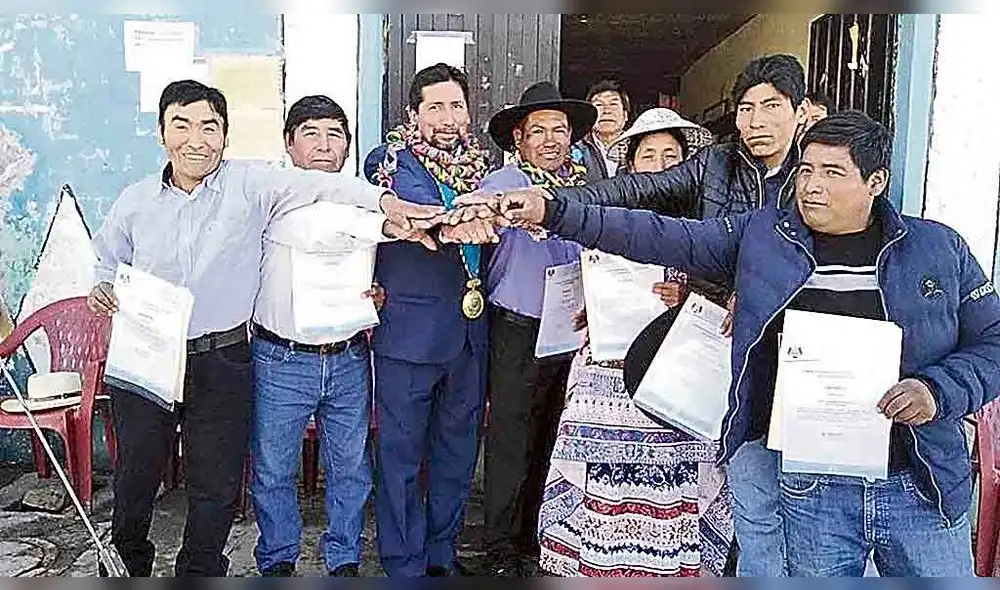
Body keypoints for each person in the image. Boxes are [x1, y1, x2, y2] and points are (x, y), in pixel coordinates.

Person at [474, 110, 1000, 577]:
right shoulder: (765, 238)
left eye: (832, 173)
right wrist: (553, 212)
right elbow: (656, 234)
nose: (812, 186)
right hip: (812, 489)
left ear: (875, 182)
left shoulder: (938, 250)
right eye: (806, 171)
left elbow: (993, 341)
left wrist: (937, 391)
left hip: (921, 484)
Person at [456, 54, 813, 576]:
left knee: (783, 485)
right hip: (694, 347)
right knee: (735, 477)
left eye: (771, 107)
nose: (757, 121)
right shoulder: (716, 166)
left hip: (788, 352)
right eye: (746, 108)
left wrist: (755, 290)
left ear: (800, 111)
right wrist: (550, 203)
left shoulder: (817, 174)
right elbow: (628, 196)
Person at [87, 80, 440, 577]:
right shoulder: (136, 200)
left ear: (225, 136)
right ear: (161, 133)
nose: (196, 140)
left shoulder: (253, 185)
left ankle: (200, 572)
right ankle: (128, 564)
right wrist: (101, 286)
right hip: (148, 353)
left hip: (223, 358)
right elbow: (107, 259)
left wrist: (386, 203)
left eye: (209, 127)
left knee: (217, 483)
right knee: (136, 475)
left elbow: (326, 186)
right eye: (182, 126)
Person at [534, 107, 734, 577]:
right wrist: (592, 306)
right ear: (631, 164)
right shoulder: (608, 221)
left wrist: (692, 294)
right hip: (609, 376)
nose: (660, 165)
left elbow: (730, 293)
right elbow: (591, 281)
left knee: (674, 480)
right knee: (604, 476)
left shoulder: (706, 225)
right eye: (649, 155)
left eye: (671, 156)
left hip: (676, 377)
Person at [248, 95, 392, 577]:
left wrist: (377, 292)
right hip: (281, 359)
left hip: (349, 357)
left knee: (351, 467)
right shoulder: (269, 198)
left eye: (335, 134)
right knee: (273, 468)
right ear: (289, 144)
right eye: (310, 133)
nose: (324, 145)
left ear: (348, 146)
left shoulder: (362, 199)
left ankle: (344, 557)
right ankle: (277, 559)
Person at [458, 80, 596, 577]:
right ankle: (500, 547)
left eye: (560, 129)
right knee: (511, 439)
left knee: (552, 438)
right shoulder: (504, 183)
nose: (551, 139)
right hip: (517, 330)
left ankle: (537, 538)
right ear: (519, 139)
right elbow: (478, 210)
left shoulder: (582, 190)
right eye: (539, 130)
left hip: (570, 330)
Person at [362, 63, 491, 577]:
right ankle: (404, 563)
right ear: (413, 114)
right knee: (400, 459)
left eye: (455, 105)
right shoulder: (389, 162)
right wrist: (452, 222)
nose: (447, 117)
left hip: (470, 336)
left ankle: (441, 555)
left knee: (457, 456)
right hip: (408, 339)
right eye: (434, 107)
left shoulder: (483, 169)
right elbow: (411, 206)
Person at [577, 78, 630, 179]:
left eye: (613, 104)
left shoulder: (637, 147)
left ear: (625, 115)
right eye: (599, 105)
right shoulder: (576, 149)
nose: (607, 111)